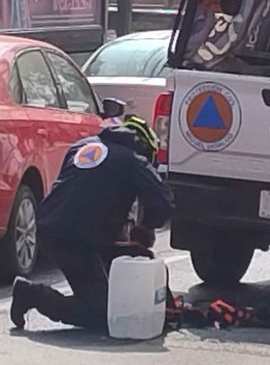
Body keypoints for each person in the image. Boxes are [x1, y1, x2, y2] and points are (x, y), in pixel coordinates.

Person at [10, 116, 175, 331]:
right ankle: (33, 294)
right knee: (101, 313)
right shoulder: (133, 160)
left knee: (124, 255)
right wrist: (145, 226)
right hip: (76, 238)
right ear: (146, 148)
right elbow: (163, 202)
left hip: (52, 226)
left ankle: (90, 292)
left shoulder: (82, 146)